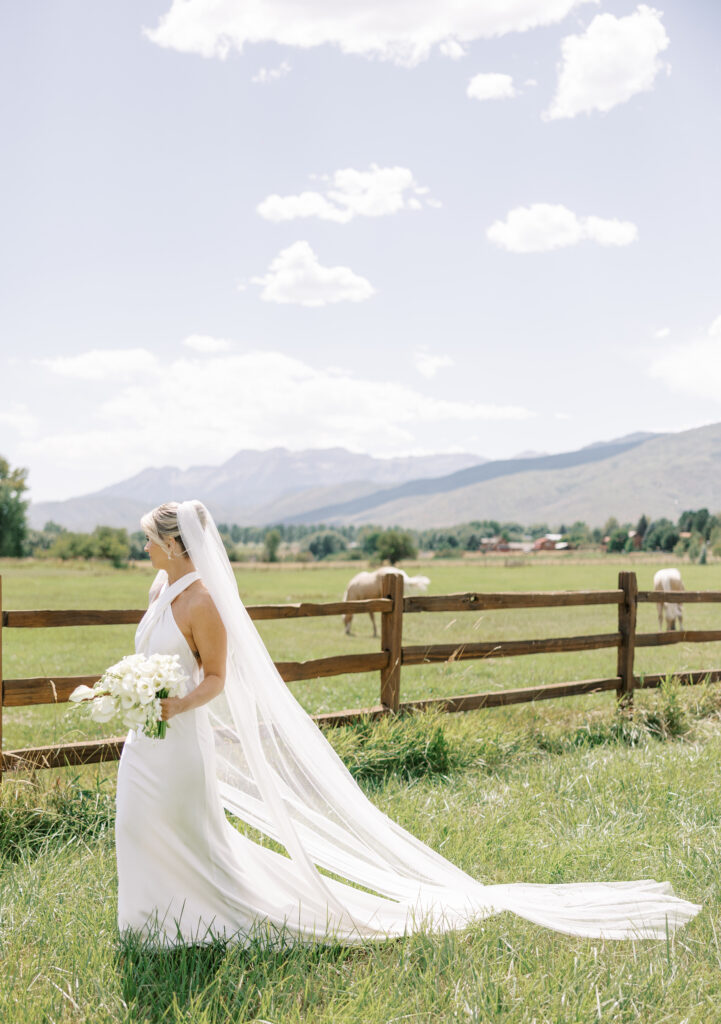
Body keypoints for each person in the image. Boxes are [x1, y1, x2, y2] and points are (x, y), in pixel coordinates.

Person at [115, 500, 701, 946]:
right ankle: (145, 918)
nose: (144, 548)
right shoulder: (159, 589)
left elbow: (214, 678)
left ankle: (200, 919)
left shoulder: (204, 604)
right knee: (138, 825)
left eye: (149, 540)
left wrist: (174, 705)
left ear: (176, 544)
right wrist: (129, 687)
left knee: (185, 829)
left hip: (178, 736)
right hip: (142, 741)